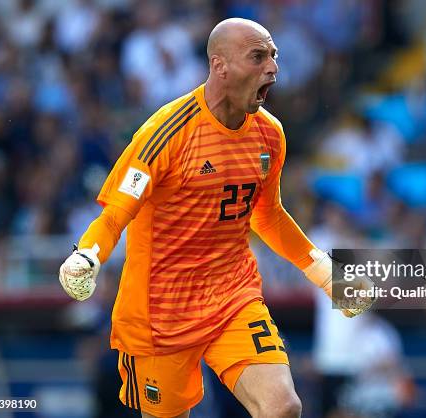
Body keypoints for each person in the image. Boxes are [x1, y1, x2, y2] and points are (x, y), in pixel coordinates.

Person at [58, 18, 374, 418]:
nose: (273, 68)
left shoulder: (270, 135)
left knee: (283, 407)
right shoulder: (165, 133)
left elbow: (269, 216)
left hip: (232, 298)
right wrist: (87, 256)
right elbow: (117, 213)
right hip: (160, 312)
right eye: (258, 57)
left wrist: (328, 276)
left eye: (274, 57)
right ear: (219, 65)